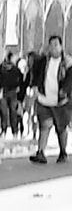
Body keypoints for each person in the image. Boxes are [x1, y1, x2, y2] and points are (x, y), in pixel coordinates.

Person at [29, 35, 72, 165]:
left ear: (61, 46)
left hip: (61, 101)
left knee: (61, 128)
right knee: (45, 125)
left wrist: (65, 90)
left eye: (56, 45)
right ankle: (41, 152)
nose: (53, 48)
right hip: (44, 99)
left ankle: (63, 152)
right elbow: (36, 75)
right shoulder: (43, 61)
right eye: (51, 45)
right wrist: (35, 87)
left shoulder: (68, 62)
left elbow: (70, 79)